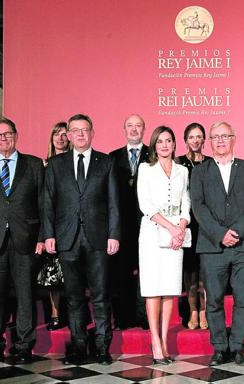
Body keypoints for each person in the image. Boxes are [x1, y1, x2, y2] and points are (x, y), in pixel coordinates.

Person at [43, 113, 120, 366]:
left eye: (84, 130)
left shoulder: (106, 162)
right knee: (74, 296)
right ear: (68, 134)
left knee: (100, 295)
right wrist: (49, 234)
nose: (80, 134)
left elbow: (113, 204)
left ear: (92, 133)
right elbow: (48, 203)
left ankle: (101, 346)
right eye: (74, 130)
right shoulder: (56, 164)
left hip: (98, 239)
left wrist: (114, 234)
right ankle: (77, 345)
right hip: (67, 239)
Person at [190, 121, 244, 366]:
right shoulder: (200, 171)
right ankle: (220, 348)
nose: (220, 140)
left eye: (225, 136)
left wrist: (238, 231)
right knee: (214, 300)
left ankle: (237, 347)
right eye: (215, 137)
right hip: (213, 246)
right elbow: (198, 206)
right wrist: (220, 233)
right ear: (210, 142)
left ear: (233, 138)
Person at [0, 117, 45, 365]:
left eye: (7, 134)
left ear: (16, 135)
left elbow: (43, 204)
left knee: (26, 295)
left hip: (26, 239)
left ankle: (25, 346)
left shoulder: (34, 165)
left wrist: (43, 237)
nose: (3, 139)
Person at [137, 126, 191, 364]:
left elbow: (186, 202)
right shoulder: (145, 169)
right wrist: (170, 227)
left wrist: (181, 226)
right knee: (153, 289)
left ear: (174, 144)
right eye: (160, 141)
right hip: (152, 232)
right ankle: (155, 341)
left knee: (170, 288)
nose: (165, 145)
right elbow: (145, 205)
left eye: (169, 140)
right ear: (153, 145)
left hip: (176, 235)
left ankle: (164, 340)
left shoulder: (182, 171)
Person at [108, 114, 150, 330]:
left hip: (148, 224)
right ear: (124, 129)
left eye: (138, 126)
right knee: (121, 273)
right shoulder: (112, 158)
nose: (134, 130)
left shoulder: (154, 155)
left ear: (144, 129)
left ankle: (144, 316)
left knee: (146, 272)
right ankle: (123, 317)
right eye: (130, 126)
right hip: (121, 226)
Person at [176, 122, 210, 330]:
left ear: (204, 139)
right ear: (185, 140)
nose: (195, 140)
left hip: (206, 224)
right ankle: (193, 312)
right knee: (189, 272)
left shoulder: (210, 163)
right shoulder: (179, 163)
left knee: (204, 273)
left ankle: (204, 312)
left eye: (199, 137)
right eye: (191, 137)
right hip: (187, 223)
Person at [38, 121, 70, 331]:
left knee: (70, 271)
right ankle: (55, 312)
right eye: (56, 134)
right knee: (52, 273)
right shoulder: (42, 165)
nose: (60, 137)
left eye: (63, 134)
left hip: (70, 224)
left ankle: (72, 311)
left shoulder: (73, 163)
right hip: (50, 225)